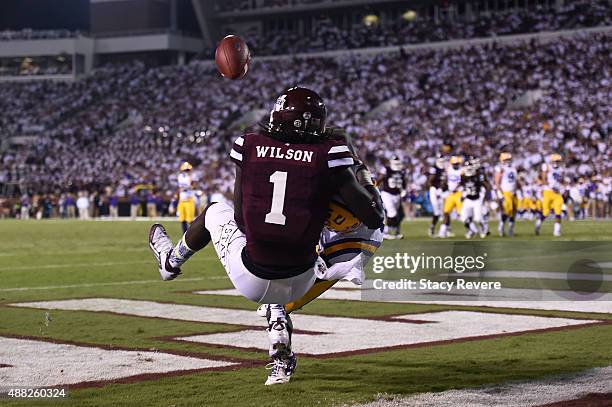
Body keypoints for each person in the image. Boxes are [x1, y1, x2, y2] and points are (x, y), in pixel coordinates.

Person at [148, 87, 384, 385]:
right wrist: (361, 171)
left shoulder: (249, 143)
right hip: (302, 278)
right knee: (356, 233)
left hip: (250, 276)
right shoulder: (330, 153)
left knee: (213, 211)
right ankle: (281, 337)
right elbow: (374, 216)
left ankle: (171, 262)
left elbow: (239, 217)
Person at [460, 158, 490, 239]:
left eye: (470, 167)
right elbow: (461, 186)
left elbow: (486, 185)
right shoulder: (463, 177)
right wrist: (462, 195)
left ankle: (484, 228)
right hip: (467, 199)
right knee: (464, 218)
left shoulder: (477, 176)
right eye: (467, 167)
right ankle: (472, 230)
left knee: (478, 218)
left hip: (476, 199)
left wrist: (486, 194)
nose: (468, 169)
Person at [536, 154, 564, 236]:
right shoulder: (546, 167)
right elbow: (543, 179)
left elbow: (561, 180)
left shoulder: (561, 169)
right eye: (555, 161)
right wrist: (551, 186)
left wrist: (561, 187)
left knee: (558, 210)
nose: (556, 162)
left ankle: (557, 230)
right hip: (548, 191)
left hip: (557, 193)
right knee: (546, 212)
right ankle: (538, 222)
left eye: (558, 161)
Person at [494, 153, 521, 237]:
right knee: (508, 210)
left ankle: (510, 230)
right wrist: (499, 192)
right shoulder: (500, 168)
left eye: (509, 159)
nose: (508, 161)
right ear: (502, 160)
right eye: (506, 160)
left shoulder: (513, 169)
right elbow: (497, 181)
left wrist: (520, 190)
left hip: (514, 192)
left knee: (514, 212)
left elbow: (516, 181)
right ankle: (501, 225)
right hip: (505, 192)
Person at [379, 156, 406, 239]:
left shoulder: (401, 171)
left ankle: (396, 232)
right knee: (392, 213)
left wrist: (404, 190)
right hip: (387, 194)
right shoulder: (386, 169)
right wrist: (374, 187)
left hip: (397, 194)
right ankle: (386, 232)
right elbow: (380, 178)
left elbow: (404, 181)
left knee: (399, 215)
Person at [438, 155, 463, 238]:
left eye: (457, 163)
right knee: (446, 212)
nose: (456, 165)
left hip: (459, 193)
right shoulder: (449, 169)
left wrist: (457, 187)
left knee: (462, 215)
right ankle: (442, 231)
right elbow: (445, 179)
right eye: (454, 163)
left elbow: (463, 181)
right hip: (450, 194)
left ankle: (472, 229)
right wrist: (442, 188)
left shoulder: (462, 170)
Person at [176, 162, 196, 233]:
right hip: (181, 200)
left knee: (190, 220)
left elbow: (194, 186)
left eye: (187, 170)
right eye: (185, 170)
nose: (186, 171)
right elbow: (179, 188)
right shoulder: (180, 177)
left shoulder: (192, 177)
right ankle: (184, 236)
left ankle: (192, 236)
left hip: (189, 200)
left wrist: (188, 187)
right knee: (182, 219)